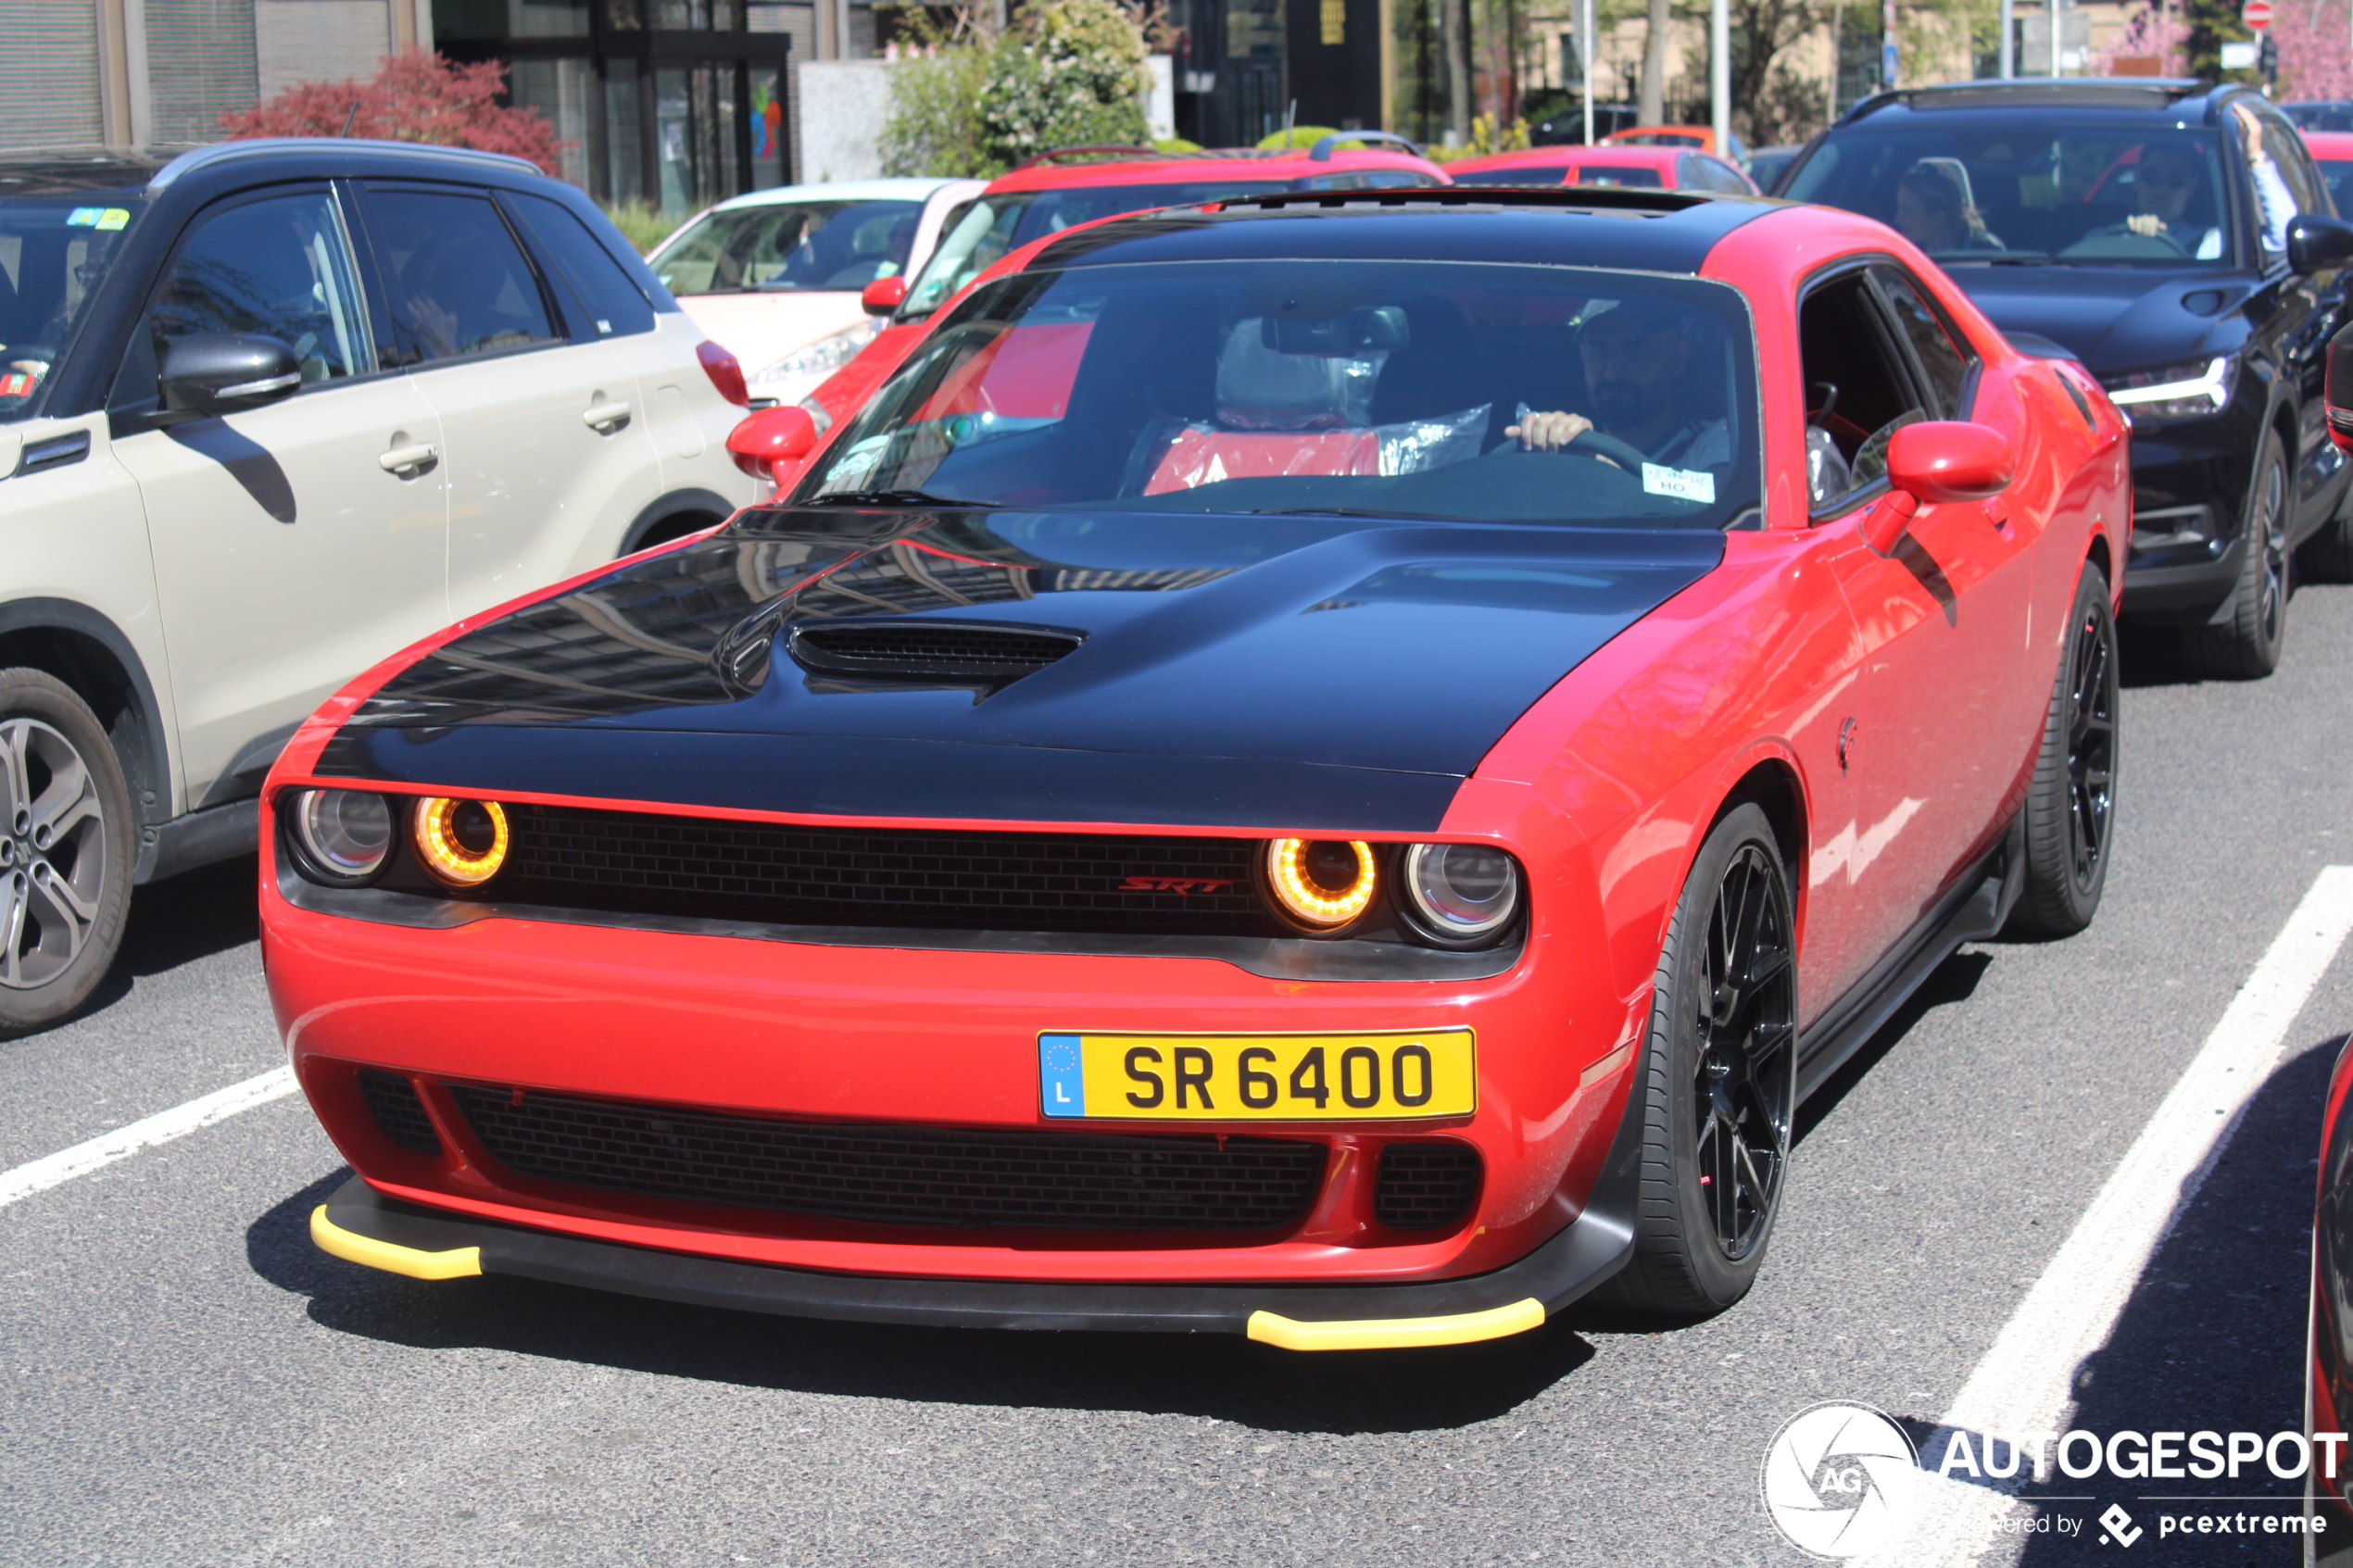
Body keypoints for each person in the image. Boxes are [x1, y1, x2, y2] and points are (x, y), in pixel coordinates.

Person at [1505, 296, 1728, 467]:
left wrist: (1601, 467)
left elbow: (1718, 511)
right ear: (1582, 356)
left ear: (1679, 355)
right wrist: (1546, 449)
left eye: (1635, 346)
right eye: (1597, 348)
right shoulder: (1566, 447)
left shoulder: (1714, 444)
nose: (1613, 372)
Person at [2122, 140, 2223, 258]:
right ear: (2137, 179)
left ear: (2192, 186)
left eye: (2176, 180)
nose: (2161, 190)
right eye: (2152, 177)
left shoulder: (2211, 243)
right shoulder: (2101, 238)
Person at [1892, 160, 2000, 254]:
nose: (1896, 219)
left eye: (1907, 212)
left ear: (1937, 218)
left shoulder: (1986, 254)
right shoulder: (1904, 258)